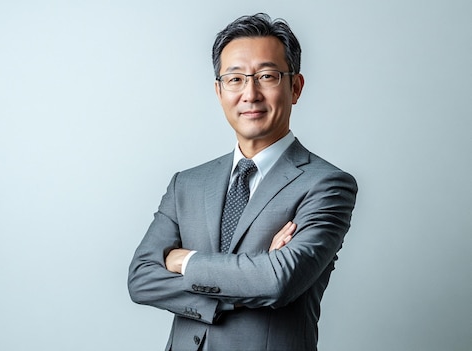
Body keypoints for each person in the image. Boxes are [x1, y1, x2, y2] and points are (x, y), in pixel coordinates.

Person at [128, 13, 358, 351]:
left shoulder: (327, 185)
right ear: (219, 91)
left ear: (295, 87)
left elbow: (279, 281)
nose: (250, 93)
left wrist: (183, 261)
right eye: (235, 79)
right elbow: (141, 280)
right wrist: (249, 281)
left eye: (266, 76)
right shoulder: (187, 184)